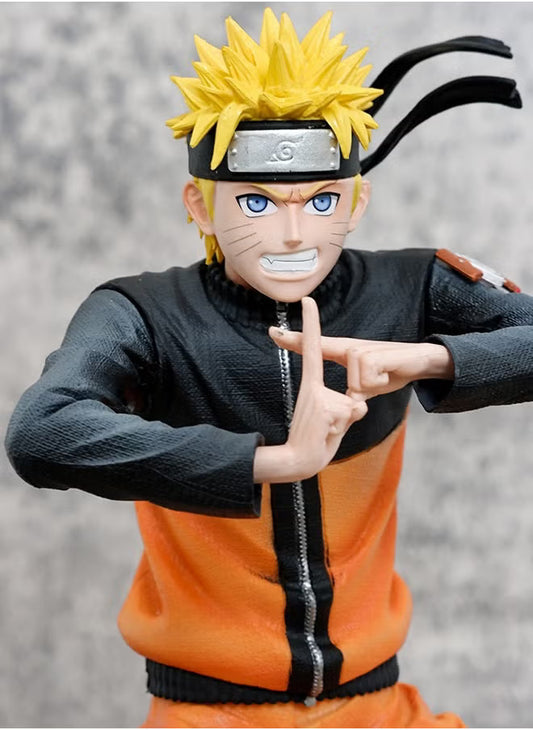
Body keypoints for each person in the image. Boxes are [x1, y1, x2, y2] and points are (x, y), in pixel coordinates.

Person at [5, 9, 533, 728]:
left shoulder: (411, 287)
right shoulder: (142, 314)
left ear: (357, 200)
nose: (292, 234)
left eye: (321, 201)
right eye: (256, 202)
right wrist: (271, 462)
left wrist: (430, 357)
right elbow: (41, 432)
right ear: (200, 205)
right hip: (206, 713)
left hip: (376, 707)